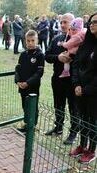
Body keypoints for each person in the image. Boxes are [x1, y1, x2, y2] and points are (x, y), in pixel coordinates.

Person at [45, 13, 79, 145]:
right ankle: (58, 127)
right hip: (57, 79)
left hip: (72, 81)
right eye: (61, 22)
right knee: (58, 105)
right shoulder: (56, 39)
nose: (63, 25)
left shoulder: (79, 40)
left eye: (66, 22)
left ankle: (73, 132)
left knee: (73, 108)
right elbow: (47, 56)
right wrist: (58, 57)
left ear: (73, 23)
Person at [70, 12, 97, 164]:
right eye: (91, 22)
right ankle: (82, 145)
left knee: (92, 121)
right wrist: (76, 84)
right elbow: (75, 65)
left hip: (93, 93)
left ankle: (91, 150)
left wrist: (86, 89)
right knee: (82, 119)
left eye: (96, 22)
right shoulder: (86, 43)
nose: (92, 24)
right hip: (79, 90)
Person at [15, 30, 45, 132]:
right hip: (22, 86)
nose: (30, 43)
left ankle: (33, 125)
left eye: (33, 40)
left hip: (32, 86)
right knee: (25, 105)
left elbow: (39, 73)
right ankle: (27, 123)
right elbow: (17, 69)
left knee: (33, 106)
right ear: (25, 41)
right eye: (28, 41)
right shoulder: (23, 54)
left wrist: (28, 83)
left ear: (37, 40)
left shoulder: (40, 55)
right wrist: (18, 81)